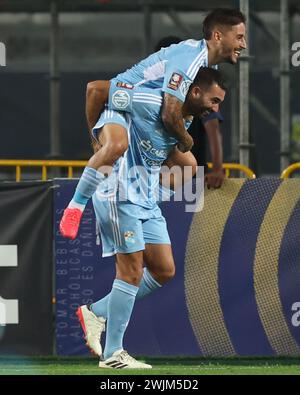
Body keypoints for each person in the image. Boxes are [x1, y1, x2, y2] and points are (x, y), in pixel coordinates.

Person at [73, 68, 226, 369]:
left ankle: (96, 311)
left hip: (145, 197)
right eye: (214, 100)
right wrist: (96, 137)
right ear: (194, 91)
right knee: (130, 271)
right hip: (120, 191)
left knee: (163, 269)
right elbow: (95, 90)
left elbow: (170, 151)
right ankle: (113, 354)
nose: (215, 108)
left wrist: (179, 146)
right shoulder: (146, 99)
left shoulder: (184, 117)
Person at [60, 8, 246, 239]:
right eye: (239, 37)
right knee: (116, 145)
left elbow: (178, 113)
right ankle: (75, 207)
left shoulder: (208, 68)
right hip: (125, 107)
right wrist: (95, 138)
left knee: (188, 165)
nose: (244, 44)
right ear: (218, 36)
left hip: (150, 119)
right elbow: (168, 113)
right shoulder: (188, 61)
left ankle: (141, 204)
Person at [154, 36, 225, 189]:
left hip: (193, 176)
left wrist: (217, 169)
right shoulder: (155, 94)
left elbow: (212, 128)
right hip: (160, 171)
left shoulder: (198, 95)